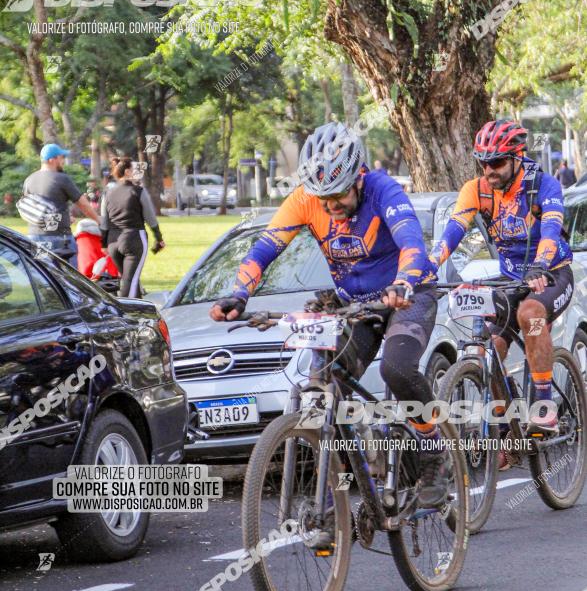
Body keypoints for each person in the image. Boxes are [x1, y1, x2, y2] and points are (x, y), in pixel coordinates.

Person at [210, 122, 450, 508]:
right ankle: (338, 491)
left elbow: (411, 241)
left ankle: (432, 451)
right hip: (356, 306)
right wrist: (239, 293)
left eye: (338, 195)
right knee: (322, 380)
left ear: (358, 178)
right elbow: (264, 248)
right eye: (323, 198)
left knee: (397, 369)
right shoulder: (306, 198)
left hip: (409, 295)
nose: (330, 206)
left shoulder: (383, 190)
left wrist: (404, 281)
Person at [430, 120, 573, 439]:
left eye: (496, 162)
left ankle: (544, 407)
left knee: (531, 316)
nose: (489, 170)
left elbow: (550, 230)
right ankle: (508, 426)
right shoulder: (476, 190)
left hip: (551, 274)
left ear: (517, 157)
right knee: (488, 348)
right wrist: (428, 267)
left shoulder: (542, 185)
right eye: (483, 162)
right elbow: (453, 232)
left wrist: (540, 265)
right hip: (510, 281)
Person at [23, 143, 100, 266]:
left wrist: (64, 218)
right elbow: (83, 205)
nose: (64, 160)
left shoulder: (29, 180)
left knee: (43, 276)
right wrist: (98, 220)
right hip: (59, 239)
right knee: (68, 279)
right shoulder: (62, 178)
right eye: (61, 157)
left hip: (35, 237)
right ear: (52, 159)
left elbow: (31, 209)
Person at [100, 156, 165, 298]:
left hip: (112, 242)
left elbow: (104, 221)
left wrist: (104, 243)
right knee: (131, 281)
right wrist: (158, 238)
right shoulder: (138, 191)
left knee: (129, 280)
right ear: (128, 172)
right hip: (133, 239)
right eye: (135, 169)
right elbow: (150, 218)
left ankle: (138, 311)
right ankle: (126, 316)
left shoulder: (107, 192)